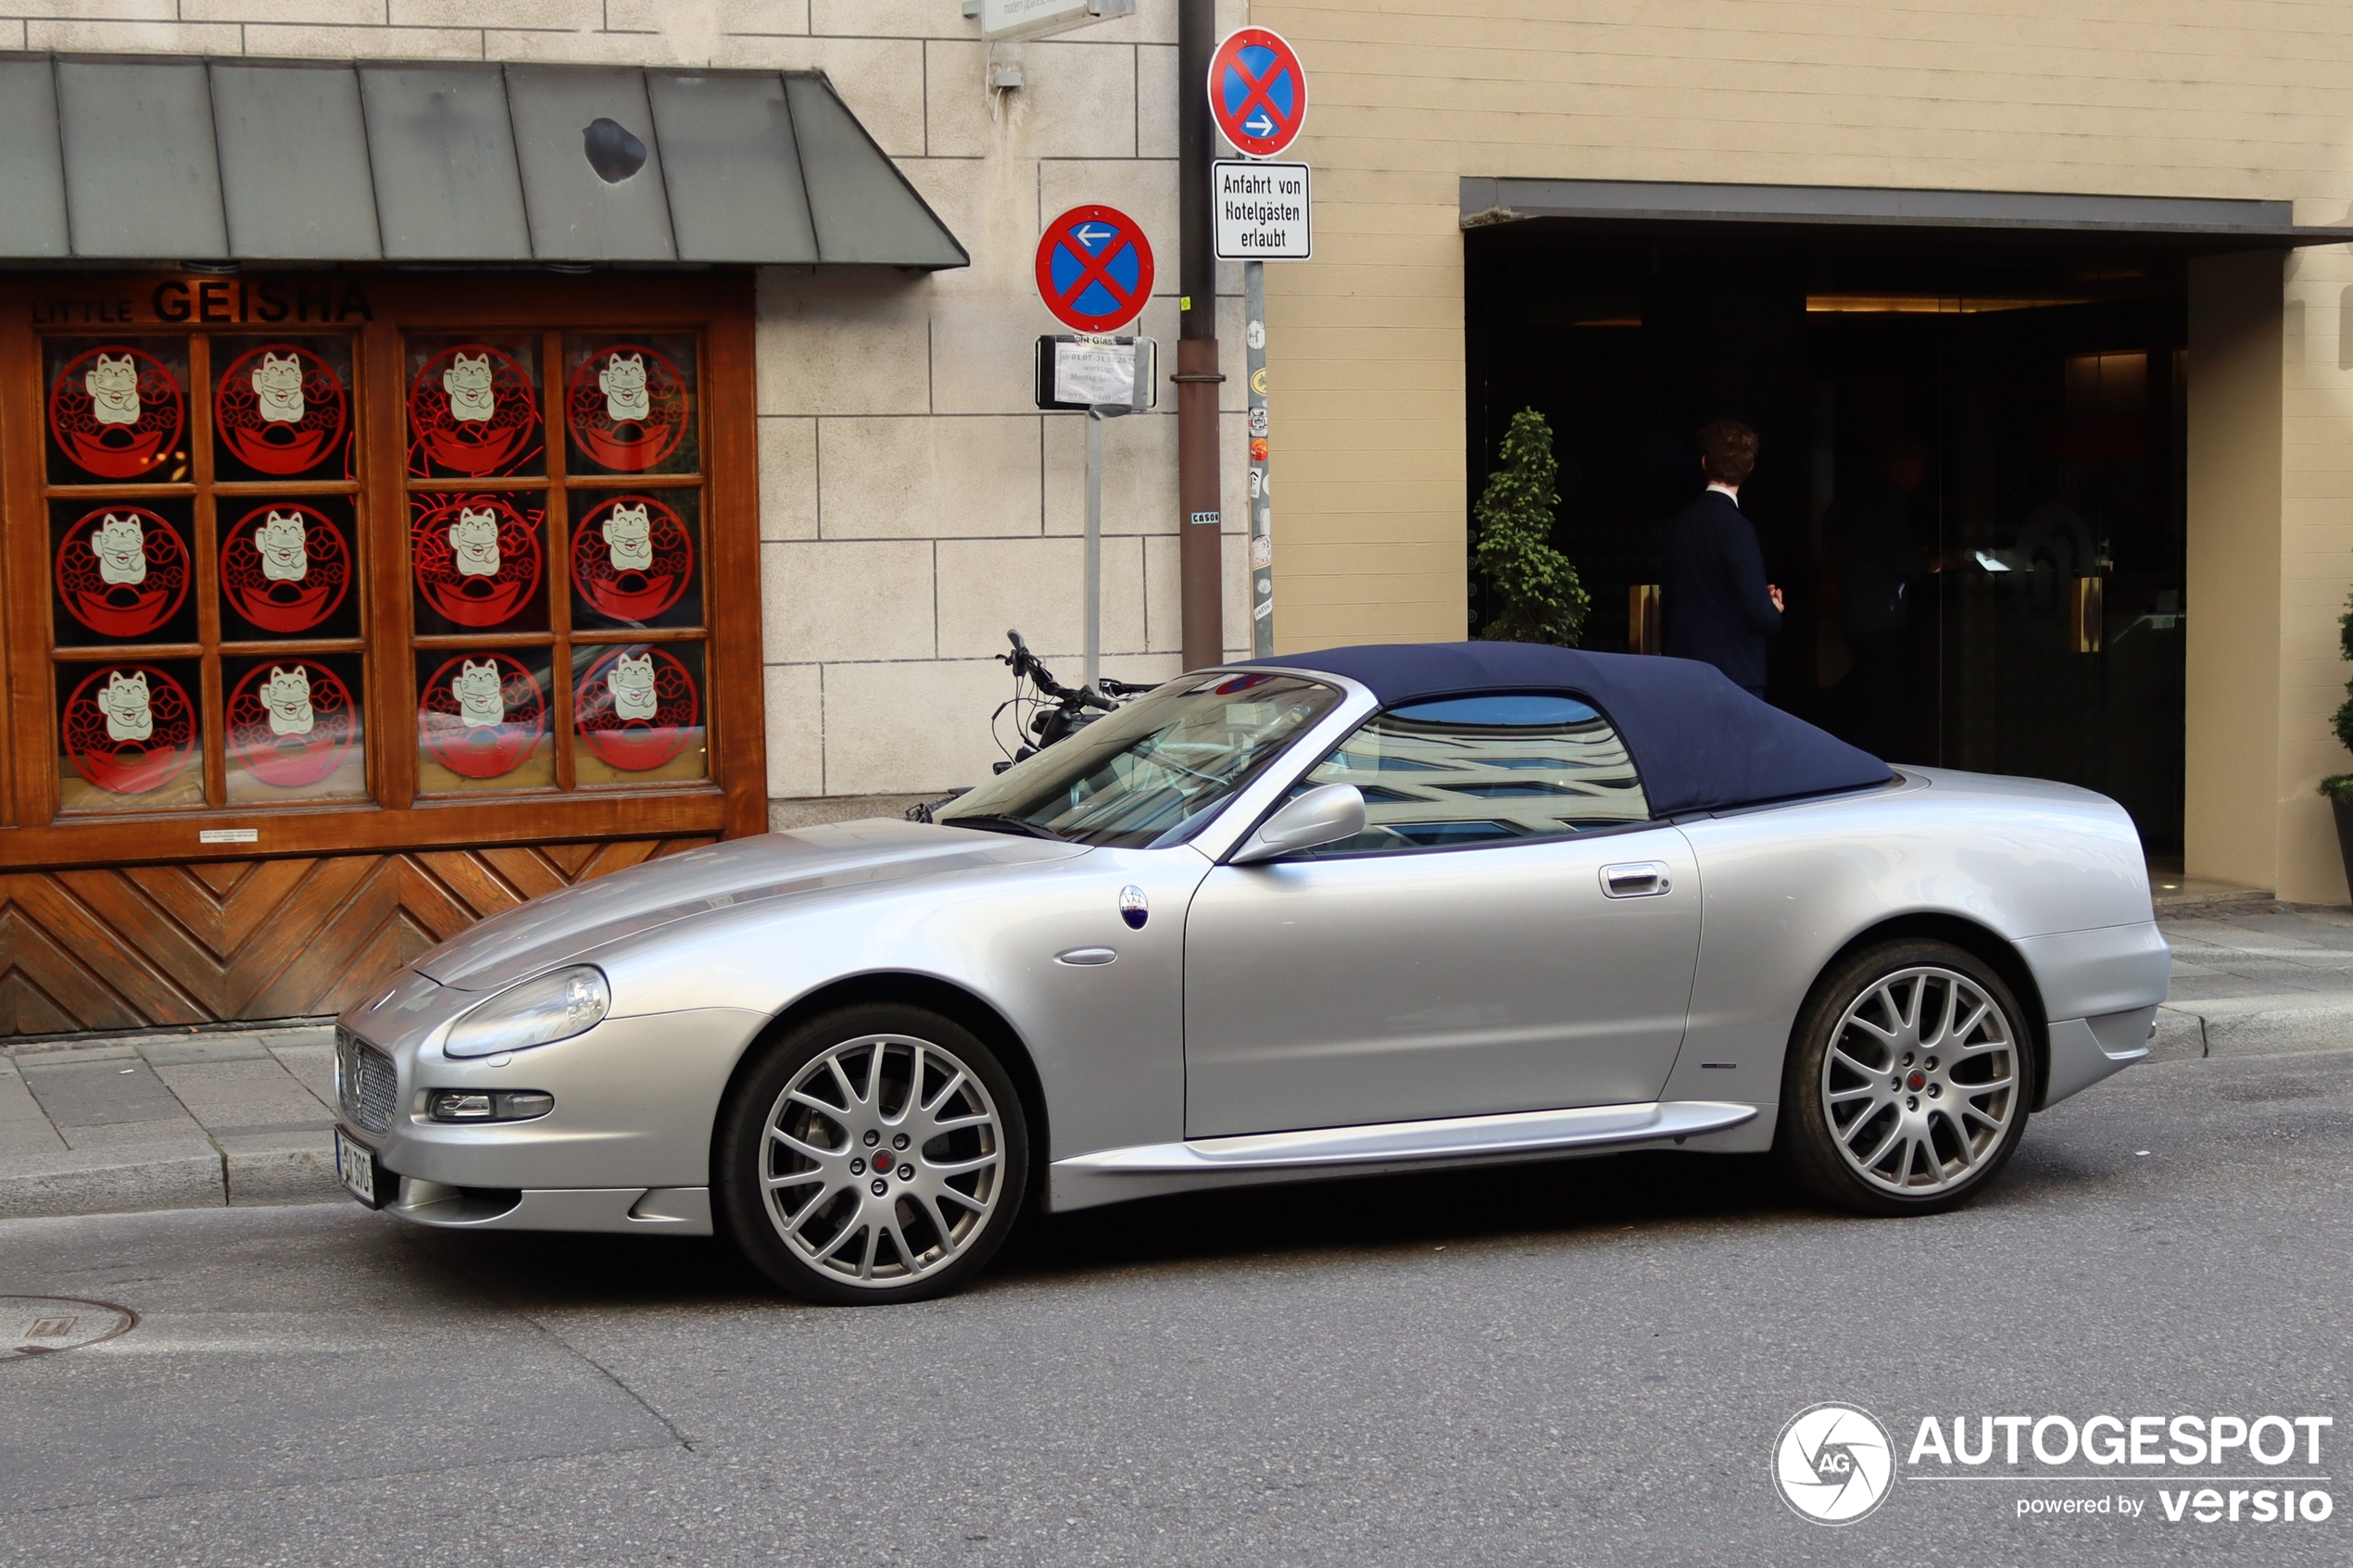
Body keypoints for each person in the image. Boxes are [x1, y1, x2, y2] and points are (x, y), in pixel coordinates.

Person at [1662, 419, 1781, 697]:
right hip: (1733, 674)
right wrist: (1772, 606)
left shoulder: (1677, 525)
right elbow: (1760, 615)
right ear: (1749, 469)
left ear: (1704, 463)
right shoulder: (1737, 529)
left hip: (1682, 670)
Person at [1831, 433, 1930, 759]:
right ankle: (1878, 769)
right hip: (1880, 620)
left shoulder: (1867, 498)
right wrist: (1935, 562)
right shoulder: (1888, 501)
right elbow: (1900, 560)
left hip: (1861, 615)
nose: (1921, 476)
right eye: (1918, 467)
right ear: (1902, 465)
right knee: (1882, 707)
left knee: (1872, 701)